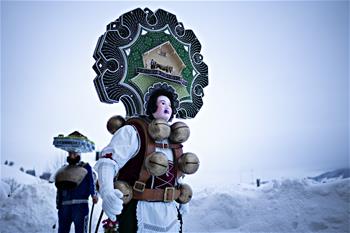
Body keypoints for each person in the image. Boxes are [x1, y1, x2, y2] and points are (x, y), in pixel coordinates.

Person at [94, 87, 190, 233]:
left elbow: (174, 172)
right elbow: (108, 161)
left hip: (170, 213)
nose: (167, 107)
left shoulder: (174, 140)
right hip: (137, 210)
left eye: (170, 105)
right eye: (163, 103)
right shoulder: (133, 131)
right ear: (152, 105)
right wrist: (107, 192)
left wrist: (180, 192)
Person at [55, 151, 98, 233]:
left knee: (80, 230)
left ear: (79, 154)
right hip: (65, 206)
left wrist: (94, 195)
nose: (72, 156)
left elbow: (91, 182)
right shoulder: (64, 169)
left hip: (80, 205)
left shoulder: (86, 167)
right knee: (62, 230)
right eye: (70, 154)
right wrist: (58, 203)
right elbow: (59, 188)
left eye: (74, 154)